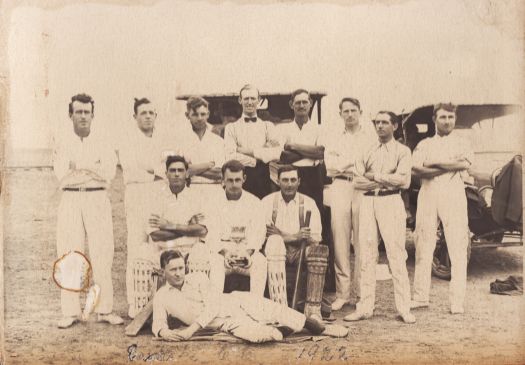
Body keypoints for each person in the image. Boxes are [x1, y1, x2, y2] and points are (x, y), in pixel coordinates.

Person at [152, 250, 348, 343]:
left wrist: (189, 331)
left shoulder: (198, 278)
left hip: (235, 302)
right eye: (173, 270)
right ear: (163, 272)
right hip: (225, 324)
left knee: (275, 310)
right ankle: (281, 330)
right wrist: (164, 332)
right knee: (260, 337)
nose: (178, 273)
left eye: (181, 268)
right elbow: (158, 323)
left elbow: (212, 307)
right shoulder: (162, 297)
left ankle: (320, 327)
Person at [53, 93, 123, 328]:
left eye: (86, 112)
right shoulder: (62, 142)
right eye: (78, 112)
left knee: (103, 253)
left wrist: (79, 169)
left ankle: (104, 309)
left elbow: (108, 175)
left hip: (97, 199)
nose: (83, 116)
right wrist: (92, 169)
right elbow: (63, 177)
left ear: (93, 115)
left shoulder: (103, 142)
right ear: (70, 114)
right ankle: (70, 312)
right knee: (71, 254)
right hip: (71, 201)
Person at [344, 111, 415, 324]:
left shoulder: (402, 151)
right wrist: (386, 179)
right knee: (366, 254)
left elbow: (403, 182)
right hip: (367, 201)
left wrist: (374, 175)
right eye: (377, 122)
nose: (380, 126)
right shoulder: (366, 149)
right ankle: (365, 307)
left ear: (395, 125)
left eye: (385, 122)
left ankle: (404, 308)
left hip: (391, 202)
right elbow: (356, 181)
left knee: (396, 254)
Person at [411, 103, 473, 314]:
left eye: (450, 117)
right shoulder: (425, 143)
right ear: (434, 119)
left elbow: (464, 165)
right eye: (443, 117)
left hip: (454, 194)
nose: (447, 121)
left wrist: (435, 163)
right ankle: (420, 297)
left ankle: (457, 301)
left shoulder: (462, 142)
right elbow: (417, 169)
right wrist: (448, 164)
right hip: (428, 194)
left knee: (457, 246)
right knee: (423, 243)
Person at [324, 97, 375, 311]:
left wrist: (345, 164)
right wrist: (353, 163)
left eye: (353, 110)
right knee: (341, 241)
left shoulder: (371, 137)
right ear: (340, 114)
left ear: (360, 111)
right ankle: (342, 294)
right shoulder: (334, 137)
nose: (350, 114)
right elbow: (330, 167)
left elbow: (371, 166)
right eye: (346, 111)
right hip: (340, 187)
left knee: (362, 241)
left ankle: (362, 294)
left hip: (362, 188)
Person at [118, 97, 165, 318]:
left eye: (151, 112)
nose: (147, 116)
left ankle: (157, 300)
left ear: (156, 116)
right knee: (136, 245)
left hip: (158, 194)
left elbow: (165, 167)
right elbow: (132, 170)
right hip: (137, 194)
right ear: (135, 116)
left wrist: (154, 171)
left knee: (157, 243)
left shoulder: (162, 141)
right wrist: (155, 172)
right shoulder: (127, 140)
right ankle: (135, 301)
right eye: (143, 112)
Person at [262, 165, 327, 319]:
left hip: (300, 251)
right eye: (285, 180)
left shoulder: (309, 203)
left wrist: (282, 234)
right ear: (278, 181)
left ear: (299, 181)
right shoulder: (267, 202)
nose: (289, 184)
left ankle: (313, 309)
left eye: (293, 180)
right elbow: (265, 235)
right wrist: (295, 236)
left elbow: (316, 238)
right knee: (274, 243)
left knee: (319, 252)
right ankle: (279, 306)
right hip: (275, 251)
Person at [205, 160, 267, 296]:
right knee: (214, 263)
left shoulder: (255, 202)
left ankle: (255, 307)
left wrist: (247, 253)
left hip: (246, 252)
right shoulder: (213, 202)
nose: (234, 185)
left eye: (237, 180)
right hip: (222, 253)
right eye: (230, 180)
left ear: (244, 179)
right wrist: (225, 253)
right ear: (223, 180)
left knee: (260, 262)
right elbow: (211, 235)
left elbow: (258, 234)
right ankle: (216, 308)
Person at [142, 155, 210, 272]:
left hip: (191, 252)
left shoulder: (197, 198)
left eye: (180, 170)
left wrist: (169, 226)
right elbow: (155, 235)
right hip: (164, 252)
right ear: (166, 174)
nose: (177, 174)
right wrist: (188, 229)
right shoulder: (156, 198)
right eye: (172, 170)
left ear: (187, 173)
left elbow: (202, 230)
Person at [224, 84, 281, 198]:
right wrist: (260, 155)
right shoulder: (231, 127)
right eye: (246, 98)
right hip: (239, 178)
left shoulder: (268, 126)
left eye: (253, 98)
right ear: (240, 100)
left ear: (259, 100)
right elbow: (229, 156)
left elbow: (276, 154)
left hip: (264, 179)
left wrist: (240, 150)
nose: (249, 102)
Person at [277, 89, 326, 214]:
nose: (301, 105)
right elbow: (284, 157)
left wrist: (293, 146)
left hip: (313, 176)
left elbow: (321, 153)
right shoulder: (283, 128)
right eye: (298, 102)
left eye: (305, 102)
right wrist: (311, 151)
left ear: (310, 103)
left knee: (314, 211)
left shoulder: (319, 129)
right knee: (291, 211)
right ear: (291, 104)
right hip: (291, 174)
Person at [177, 96, 225, 201]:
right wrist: (208, 165)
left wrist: (191, 169)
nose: (199, 118)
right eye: (195, 114)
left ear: (208, 114)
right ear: (187, 115)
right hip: (189, 191)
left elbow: (220, 173)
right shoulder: (180, 141)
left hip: (215, 192)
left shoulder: (218, 141)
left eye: (203, 114)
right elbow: (180, 172)